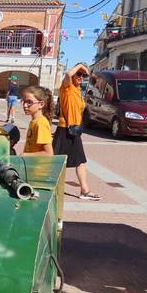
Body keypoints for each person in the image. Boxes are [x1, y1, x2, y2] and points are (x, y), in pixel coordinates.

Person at [53, 63, 101, 200]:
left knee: (80, 160)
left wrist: (87, 72)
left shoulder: (78, 91)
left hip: (74, 130)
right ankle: (56, 187)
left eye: (83, 75)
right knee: (58, 161)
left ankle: (84, 190)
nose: (81, 77)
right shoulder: (66, 87)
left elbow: (91, 76)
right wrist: (80, 65)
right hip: (64, 129)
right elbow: (68, 74)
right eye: (78, 74)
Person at [21, 86, 54, 156]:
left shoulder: (41, 123)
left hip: (38, 166)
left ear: (41, 104)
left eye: (29, 102)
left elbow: (48, 153)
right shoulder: (34, 121)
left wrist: (25, 155)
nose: (25, 105)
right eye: (24, 101)